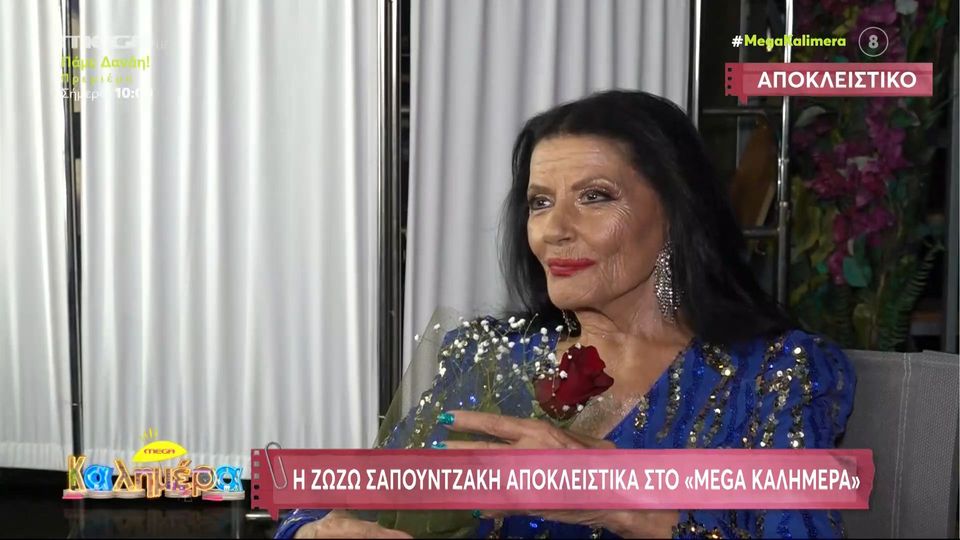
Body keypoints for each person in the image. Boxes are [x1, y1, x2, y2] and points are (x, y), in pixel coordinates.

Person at [276, 90, 856, 539]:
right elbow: (348, 500)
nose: (554, 229)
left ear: (677, 213)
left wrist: (616, 499)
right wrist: (311, 530)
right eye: (540, 202)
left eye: (594, 196)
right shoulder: (488, 355)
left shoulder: (773, 374)